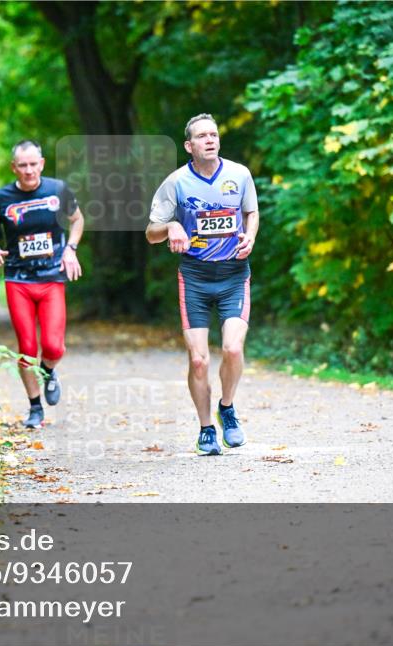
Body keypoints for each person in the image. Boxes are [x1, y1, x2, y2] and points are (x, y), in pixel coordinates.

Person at [146, 114, 259, 456]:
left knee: (233, 349)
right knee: (198, 361)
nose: (210, 140)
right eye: (202, 136)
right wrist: (171, 228)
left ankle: (227, 408)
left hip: (233, 275)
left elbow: (251, 213)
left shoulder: (239, 175)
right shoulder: (176, 183)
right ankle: (207, 428)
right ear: (189, 146)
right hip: (194, 277)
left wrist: (250, 237)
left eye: (214, 134)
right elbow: (151, 232)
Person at [0, 140, 85, 428]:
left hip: (51, 278)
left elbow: (77, 220)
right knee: (26, 347)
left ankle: (48, 371)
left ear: (42, 163)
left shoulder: (57, 190)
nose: (28, 170)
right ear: (14, 168)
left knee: (54, 347)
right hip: (18, 279)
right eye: (22, 165)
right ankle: (35, 407)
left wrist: (70, 249)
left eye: (33, 164)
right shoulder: (2, 197)